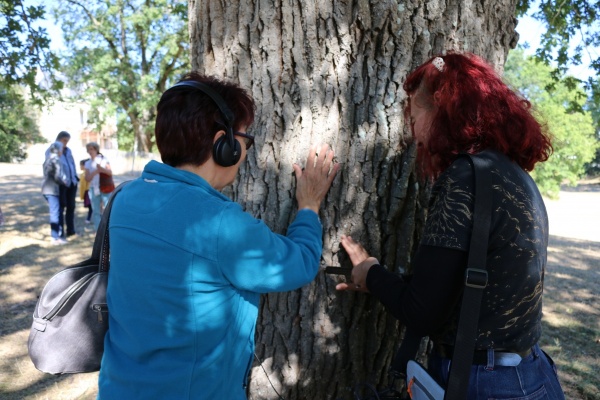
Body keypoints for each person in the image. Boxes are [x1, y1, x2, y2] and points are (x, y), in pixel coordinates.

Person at [335, 53, 565, 399]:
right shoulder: (512, 175)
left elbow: (422, 312)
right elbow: (462, 286)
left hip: (486, 382)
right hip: (528, 373)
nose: (413, 133)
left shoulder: (465, 178)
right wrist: (379, 282)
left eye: (414, 116)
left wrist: (369, 271)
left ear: (444, 110)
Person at [97, 73, 340, 399]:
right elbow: (301, 262)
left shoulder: (126, 198)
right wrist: (309, 206)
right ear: (223, 144)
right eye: (244, 139)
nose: (245, 150)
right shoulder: (220, 223)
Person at [42, 141, 69, 245]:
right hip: (52, 190)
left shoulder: (48, 159)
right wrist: (64, 182)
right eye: (61, 149)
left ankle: (56, 236)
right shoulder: (56, 160)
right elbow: (57, 177)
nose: (62, 151)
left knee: (55, 212)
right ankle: (55, 237)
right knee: (55, 213)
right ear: (58, 150)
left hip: (46, 189)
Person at [84, 142, 113, 230]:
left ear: (96, 149)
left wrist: (101, 169)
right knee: (96, 210)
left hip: (105, 187)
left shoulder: (104, 159)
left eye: (91, 149)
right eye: (88, 149)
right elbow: (87, 178)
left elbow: (110, 172)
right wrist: (95, 172)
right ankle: (98, 230)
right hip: (94, 188)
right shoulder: (87, 163)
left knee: (108, 209)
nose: (90, 151)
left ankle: (110, 229)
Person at [55, 131, 79, 237]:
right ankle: (60, 233)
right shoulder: (53, 149)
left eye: (67, 141)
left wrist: (75, 177)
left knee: (71, 207)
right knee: (60, 207)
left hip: (72, 183)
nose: (66, 143)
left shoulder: (68, 151)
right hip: (61, 184)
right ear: (59, 139)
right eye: (64, 140)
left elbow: (72, 164)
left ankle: (71, 230)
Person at [79, 159, 93, 224]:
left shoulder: (86, 174)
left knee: (91, 206)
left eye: (81, 165)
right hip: (86, 192)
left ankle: (88, 218)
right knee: (90, 206)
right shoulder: (82, 174)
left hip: (88, 192)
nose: (80, 167)